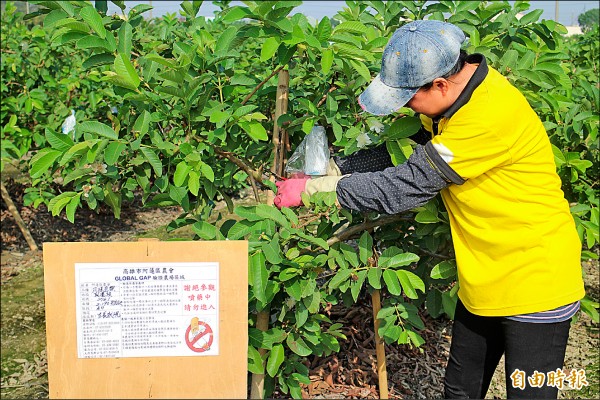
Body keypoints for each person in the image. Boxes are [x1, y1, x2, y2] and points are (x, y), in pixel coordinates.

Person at [274, 20, 585, 399]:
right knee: (459, 390)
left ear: (439, 84)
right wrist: (340, 166)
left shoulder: (488, 116)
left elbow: (406, 186)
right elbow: (411, 144)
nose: (404, 107)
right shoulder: (453, 97)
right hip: (484, 274)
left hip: (536, 278)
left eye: (407, 98)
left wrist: (316, 191)